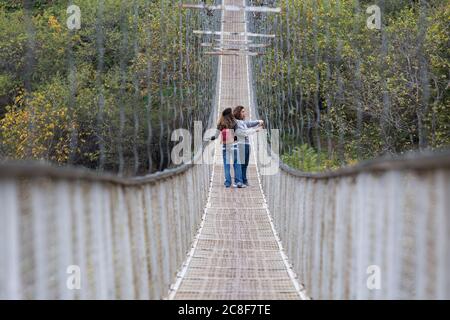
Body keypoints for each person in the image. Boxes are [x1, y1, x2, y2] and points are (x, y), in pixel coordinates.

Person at [233, 106, 264, 187]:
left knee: (245, 164)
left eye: (244, 111)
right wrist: (255, 130)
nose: (244, 113)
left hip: (246, 145)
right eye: (242, 111)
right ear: (238, 112)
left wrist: (258, 121)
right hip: (240, 144)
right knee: (240, 163)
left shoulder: (242, 122)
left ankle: (243, 180)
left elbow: (250, 123)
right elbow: (243, 133)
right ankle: (239, 181)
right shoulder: (236, 122)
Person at [214, 108, 244, 188]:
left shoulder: (221, 123)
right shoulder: (234, 122)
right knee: (237, 164)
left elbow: (216, 136)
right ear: (230, 114)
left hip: (225, 146)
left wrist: (210, 138)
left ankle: (228, 182)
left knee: (226, 165)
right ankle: (238, 182)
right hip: (234, 146)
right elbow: (238, 133)